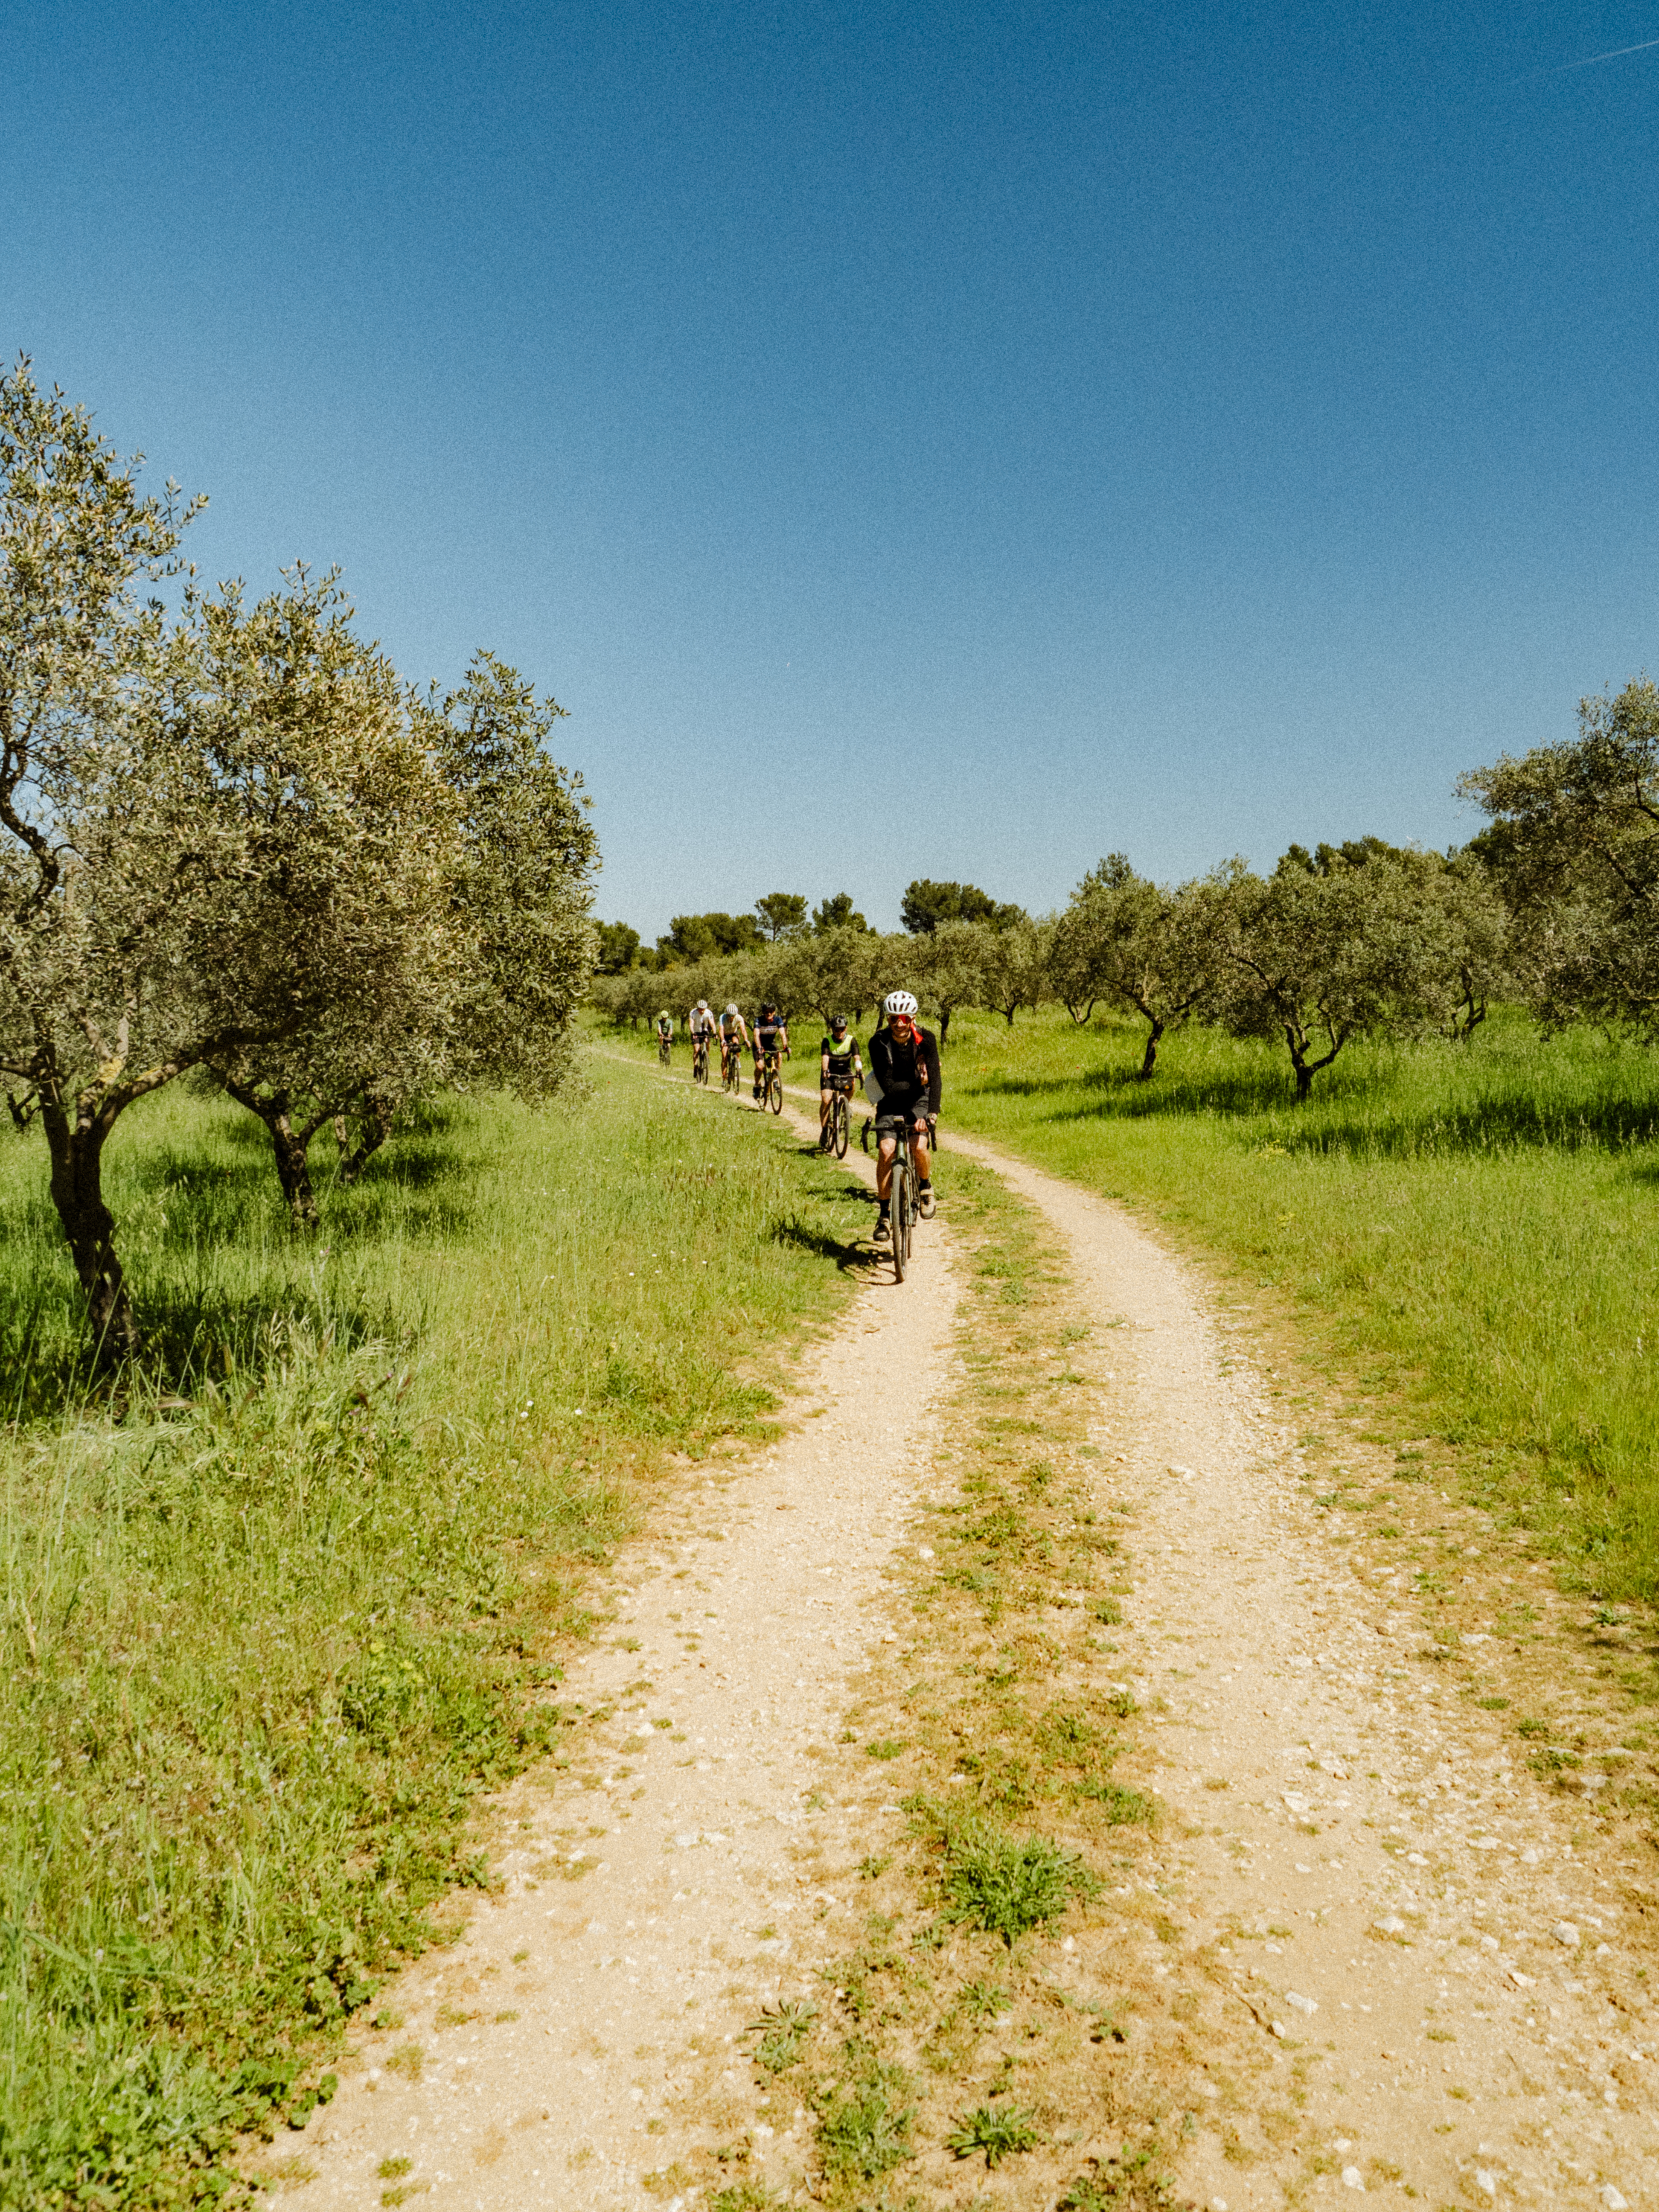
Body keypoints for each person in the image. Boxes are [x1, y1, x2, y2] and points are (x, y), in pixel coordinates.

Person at [867, 990, 940, 1240]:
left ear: (913, 1018)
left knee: (918, 1146)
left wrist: (931, 1114)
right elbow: (889, 1087)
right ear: (887, 1019)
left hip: (920, 1100)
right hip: (890, 1102)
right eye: (894, 1019)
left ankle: (925, 1186)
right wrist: (919, 1081)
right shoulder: (878, 1042)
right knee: (886, 1151)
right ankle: (884, 1216)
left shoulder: (926, 1040)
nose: (899, 1024)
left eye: (905, 1019)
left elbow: (935, 1081)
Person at [819, 1015, 863, 1146]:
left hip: (845, 1071)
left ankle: (845, 1106)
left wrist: (859, 1071)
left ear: (846, 1028)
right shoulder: (827, 1040)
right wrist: (825, 1070)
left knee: (852, 1084)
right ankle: (825, 1130)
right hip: (830, 1073)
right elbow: (825, 1057)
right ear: (832, 1029)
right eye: (836, 1030)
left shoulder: (851, 1040)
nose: (839, 1032)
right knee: (826, 1100)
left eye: (842, 1029)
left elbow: (857, 1058)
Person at [752, 1003, 789, 1101]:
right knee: (760, 1067)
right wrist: (759, 1048)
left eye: (771, 1012)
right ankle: (757, 1086)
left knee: (779, 1056)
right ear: (764, 1013)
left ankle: (775, 1077)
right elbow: (756, 1036)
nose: (769, 1014)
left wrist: (785, 1046)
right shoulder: (759, 1020)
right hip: (758, 1044)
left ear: (774, 1012)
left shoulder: (778, 1020)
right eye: (766, 1012)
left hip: (770, 1043)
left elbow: (783, 1034)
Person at [719, 1001, 748, 1084]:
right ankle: (724, 1077)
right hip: (725, 1035)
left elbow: (743, 1030)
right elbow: (721, 1030)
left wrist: (746, 1040)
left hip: (733, 1034)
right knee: (725, 1056)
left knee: (736, 1044)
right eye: (730, 1016)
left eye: (733, 1016)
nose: (732, 1018)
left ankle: (737, 1061)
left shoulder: (739, 1018)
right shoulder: (723, 1017)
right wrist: (723, 1040)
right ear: (727, 1015)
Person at [687, 997, 717, 1078]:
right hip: (696, 1031)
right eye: (700, 1009)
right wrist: (693, 1033)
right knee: (696, 1049)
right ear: (698, 1009)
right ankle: (696, 1066)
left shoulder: (709, 1013)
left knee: (707, 1042)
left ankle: (707, 1056)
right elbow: (691, 1024)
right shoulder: (693, 1013)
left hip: (705, 1030)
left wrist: (715, 1033)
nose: (702, 1011)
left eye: (703, 1009)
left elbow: (713, 1024)